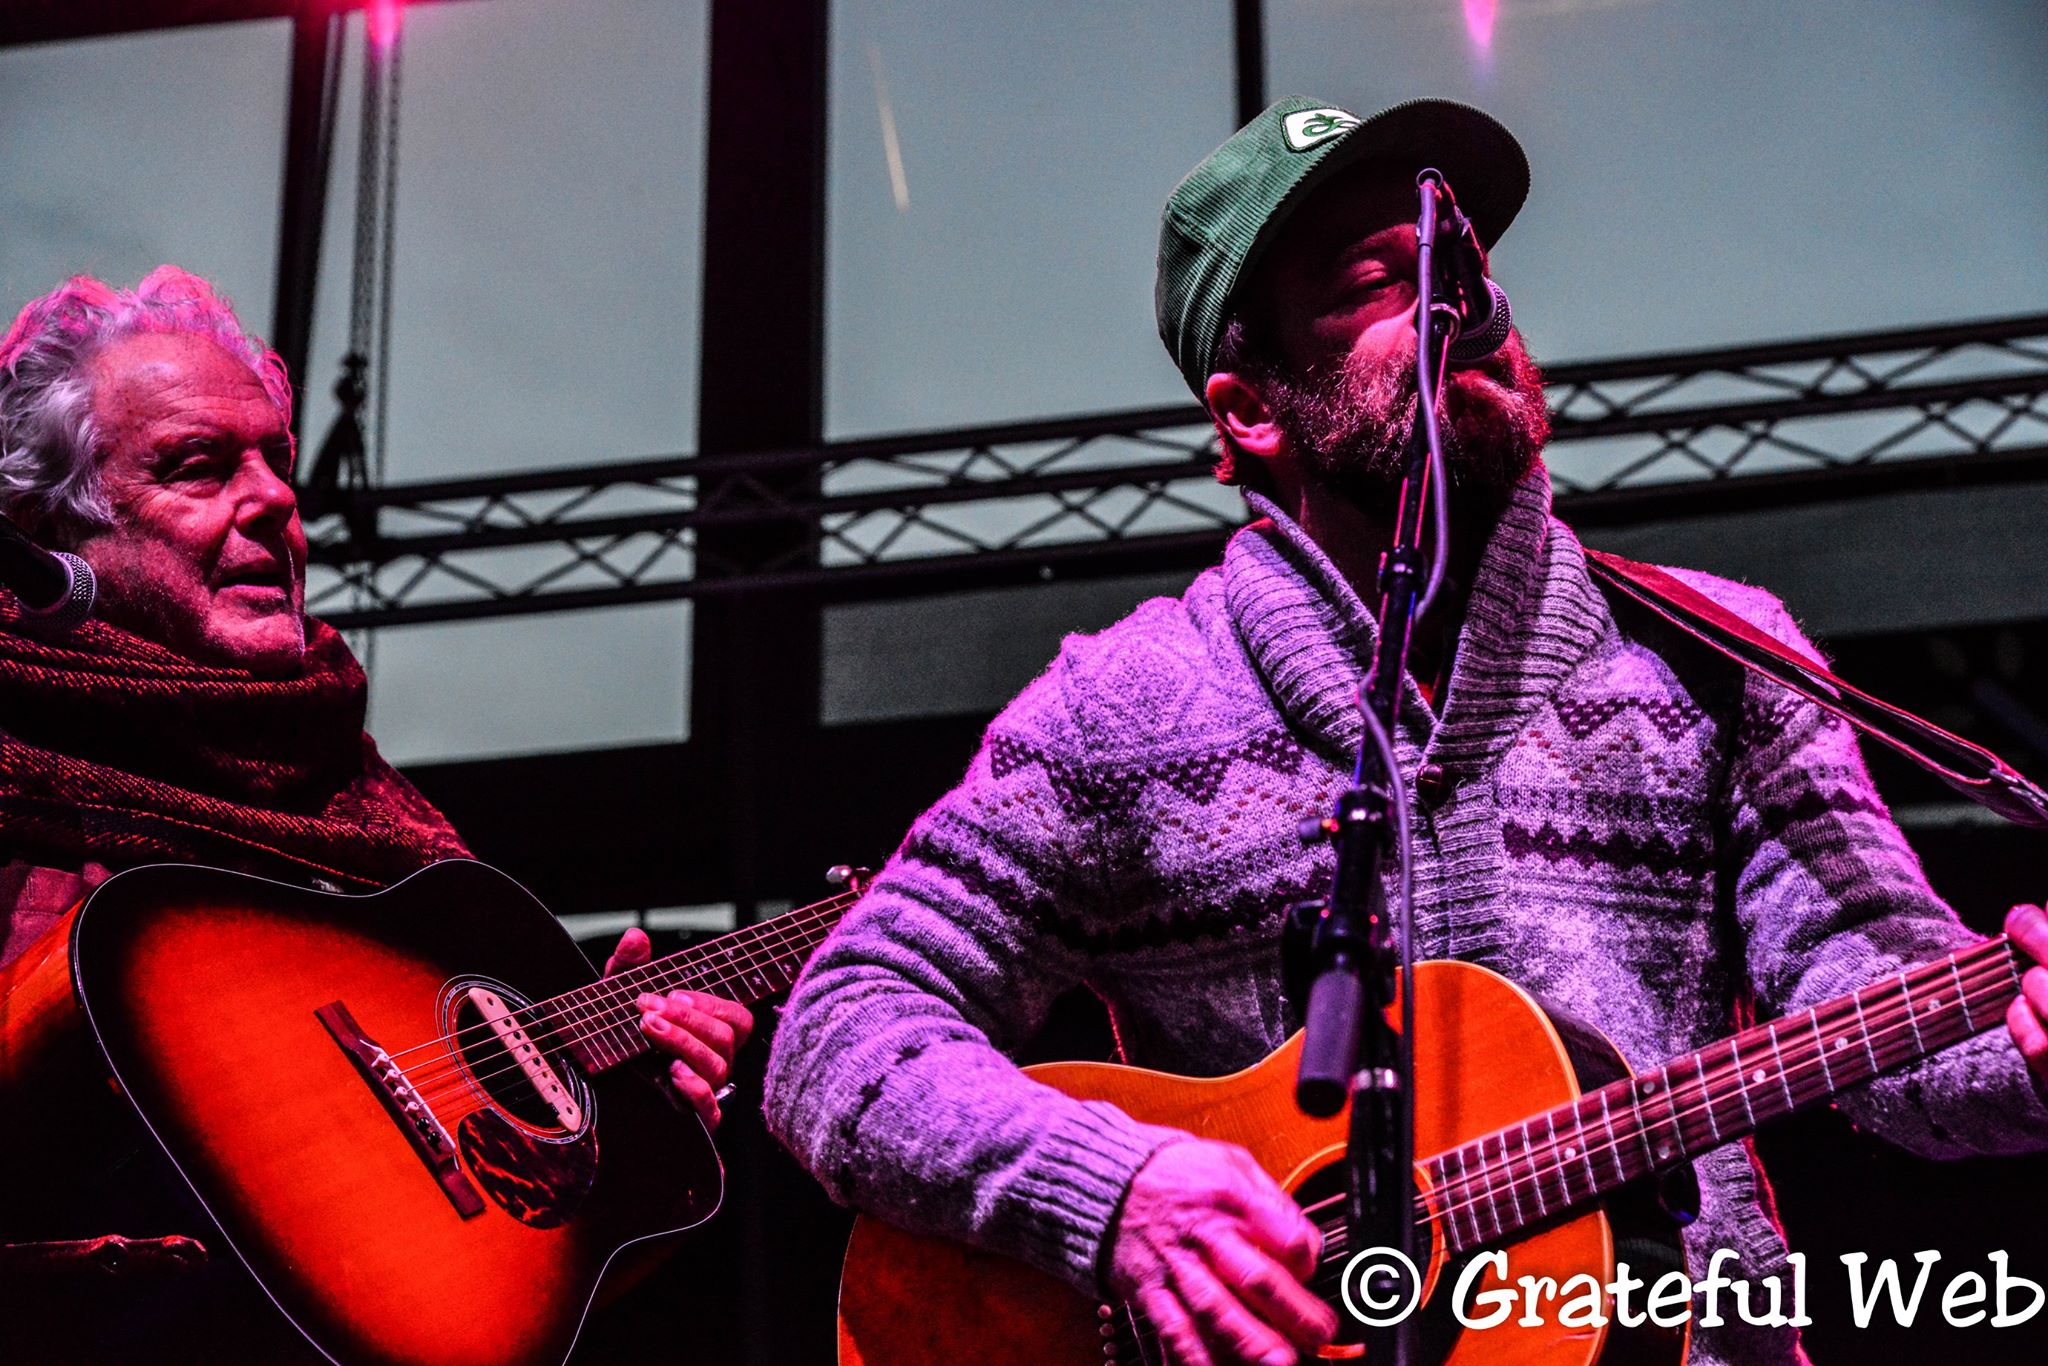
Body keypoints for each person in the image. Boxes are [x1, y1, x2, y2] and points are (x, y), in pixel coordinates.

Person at [762, 97, 2048, 1366]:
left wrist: (2028, 1053)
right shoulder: (1118, 707)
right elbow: (840, 1029)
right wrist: (1115, 1191)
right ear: (1252, 410)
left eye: (1466, 265)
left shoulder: (1722, 655)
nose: (1463, 304)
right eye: (1385, 279)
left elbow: (1886, 1022)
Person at [0, 267, 750, 1358]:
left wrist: (619, 1134)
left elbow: (462, 1289)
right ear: (49, 539)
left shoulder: (370, 815)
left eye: (277, 464)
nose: (274, 501)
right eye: (199, 468)